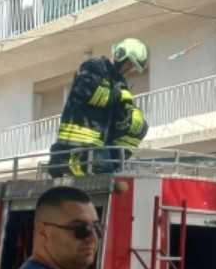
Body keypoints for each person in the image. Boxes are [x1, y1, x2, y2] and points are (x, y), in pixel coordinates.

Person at [47, 38, 149, 177]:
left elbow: (125, 105)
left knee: (141, 127)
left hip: (96, 145)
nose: (130, 69)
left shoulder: (119, 80)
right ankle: (67, 161)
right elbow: (90, 94)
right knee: (102, 169)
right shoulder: (93, 67)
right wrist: (119, 95)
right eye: (129, 64)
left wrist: (135, 112)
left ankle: (114, 163)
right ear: (120, 55)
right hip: (74, 143)